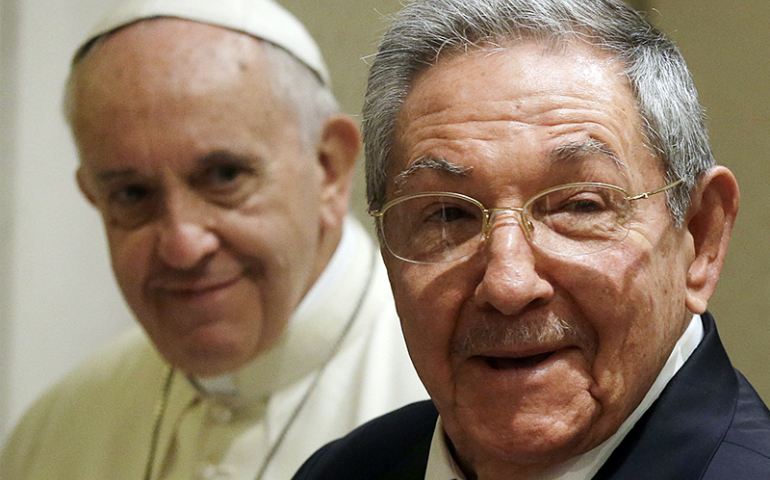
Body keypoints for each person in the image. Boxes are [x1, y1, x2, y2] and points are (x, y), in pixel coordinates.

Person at [292, 0, 770, 479]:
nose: (508, 285)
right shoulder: (339, 470)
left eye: (579, 206)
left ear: (699, 236)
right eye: (447, 214)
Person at [0, 0, 427, 479]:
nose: (182, 247)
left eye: (224, 176)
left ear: (328, 167)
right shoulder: (55, 435)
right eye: (132, 193)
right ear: (94, 198)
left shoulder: (452, 407)